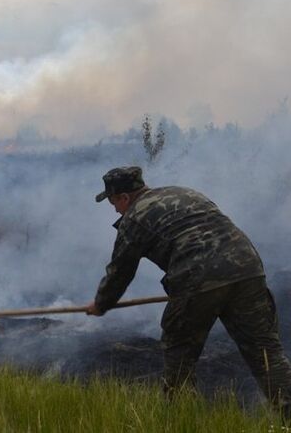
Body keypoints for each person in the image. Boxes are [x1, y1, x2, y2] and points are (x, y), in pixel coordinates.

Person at [86, 166, 291, 417]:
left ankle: (182, 420)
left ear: (125, 197)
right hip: (248, 268)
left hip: (197, 277)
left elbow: (121, 270)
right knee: (266, 351)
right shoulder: (184, 193)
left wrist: (101, 303)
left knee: (179, 353)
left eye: (113, 202)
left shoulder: (134, 217)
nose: (115, 209)